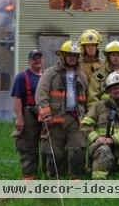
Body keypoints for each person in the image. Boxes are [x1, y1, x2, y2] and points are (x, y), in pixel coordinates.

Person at [35, 40, 87, 178]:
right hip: (54, 119)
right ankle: (54, 178)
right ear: (62, 56)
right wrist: (45, 114)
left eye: (75, 55)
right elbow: (41, 94)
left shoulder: (82, 76)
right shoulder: (51, 73)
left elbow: (87, 99)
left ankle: (75, 178)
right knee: (54, 152)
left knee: (77, 149)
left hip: (76, 119)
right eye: (69, 55)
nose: (72, 57)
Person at [80, 71, 119, 179]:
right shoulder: (98, 106)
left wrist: (113, 139)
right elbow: (85, 125)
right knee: (103, 150)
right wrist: (96, 138)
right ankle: (99, 185)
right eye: (114, 88)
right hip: (102, 149)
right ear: (108, 90)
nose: (118, 91)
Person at [11, 50, 44, 179]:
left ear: (43, 60)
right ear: (29, 61)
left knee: (48, 145)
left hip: (45, 113)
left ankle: (49, 174)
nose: (37, 60)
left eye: (39, 58)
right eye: (34, 58)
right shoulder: (22, 76)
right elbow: (17, 98)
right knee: (28, 145)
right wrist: (19, 118)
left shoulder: (47, 75)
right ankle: (29, 175)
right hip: (29, 113)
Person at [87, 40, 119, 109]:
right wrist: (97, 113)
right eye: (113, 55)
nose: (116, 58)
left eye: (118, 55)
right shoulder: (99, 74)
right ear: (108, 56)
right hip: (105, 110)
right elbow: (93, 98)